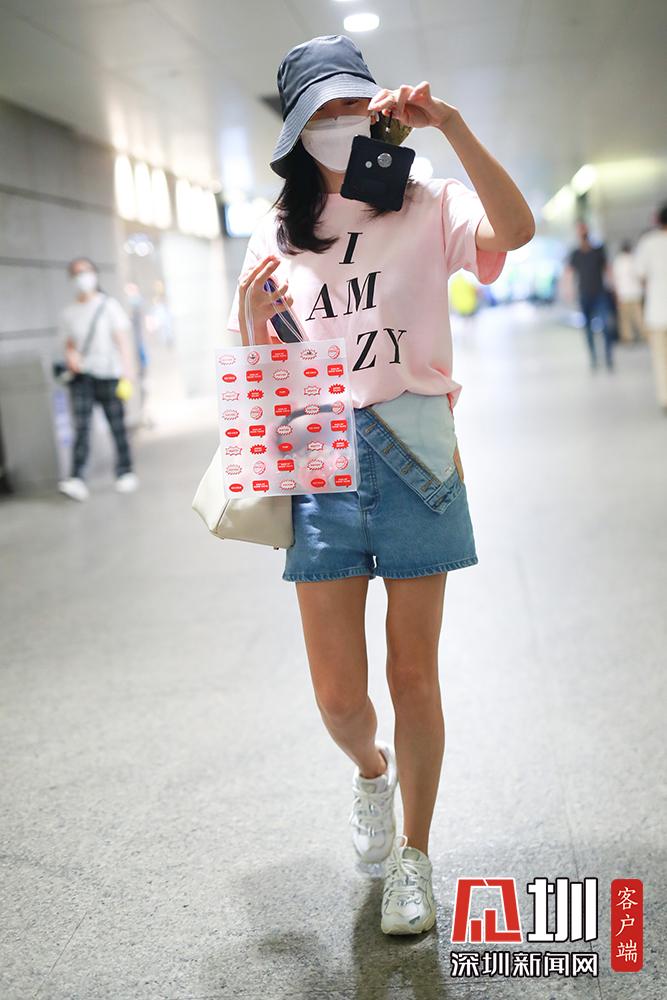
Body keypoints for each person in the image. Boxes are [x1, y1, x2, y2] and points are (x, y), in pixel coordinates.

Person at [226, 35, 534, 935]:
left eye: (350, 105)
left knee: (413, 674)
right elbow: (263, 369)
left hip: (414, 445)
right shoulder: (275, 229)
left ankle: (415, 855)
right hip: (318, 451)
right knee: (337, 696)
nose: (338, 122)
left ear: (376, 110)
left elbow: (513, 232)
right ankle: (372, 774)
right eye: (319, 111)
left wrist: (452, 126)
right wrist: (250, 321)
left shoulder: (426, 199)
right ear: (293, 127)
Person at [56, 257, 139, 501]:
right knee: (81, 427)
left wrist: (128, 371)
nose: (82, 277)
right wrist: (71, 356)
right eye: (76, 273)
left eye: (86, 271)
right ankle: (76, 479)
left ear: (94, 273)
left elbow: (122, 341)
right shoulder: (69, 313)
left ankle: (125, 471)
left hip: (110, 375)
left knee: (117, 426)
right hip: (82, 377)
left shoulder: (108, 305)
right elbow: (69, 344)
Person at [566, 222, 614, 370]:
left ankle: (608, 357)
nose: (582, 232)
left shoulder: (598, 250)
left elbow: (607, 269)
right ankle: (593, 358)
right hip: (584, 294)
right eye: (580, 230)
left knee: (606, 326)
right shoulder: (575, 253)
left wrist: (613, 287)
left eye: (584, 229)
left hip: (600, 293)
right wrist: (568, 290)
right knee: (587, 329)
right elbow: (569, 272)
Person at [634, 204, 667, 410]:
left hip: (657, 311)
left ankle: (665, 399)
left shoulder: (648, 243)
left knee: (660, 359)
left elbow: (640, 275)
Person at [612, 240, 645, 343]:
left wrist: (616, 295)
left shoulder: (618, 261)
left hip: (624, 294)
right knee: (639, 317)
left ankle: (628, 337)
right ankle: (644, 335)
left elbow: (615, 280)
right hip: (636, 293)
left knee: (626, 319)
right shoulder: (634, 259)